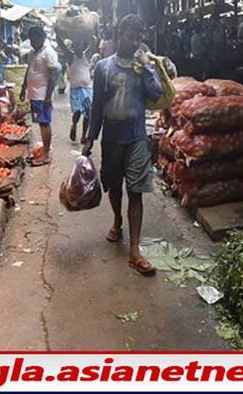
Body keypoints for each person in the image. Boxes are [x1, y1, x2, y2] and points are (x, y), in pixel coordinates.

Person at [82, 15, 163, 276]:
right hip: (112, 137)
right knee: (114, 186)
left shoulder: (143, 67)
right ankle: (117, 220)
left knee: (136, 191)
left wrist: (147, 67)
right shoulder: (104, 68)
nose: (135, 41)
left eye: (139, 36)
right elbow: (96, 107)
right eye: (130, 36)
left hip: (137, 136)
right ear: (119, 37)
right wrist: (90, 137)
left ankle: (135, 250)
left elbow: (156, 94)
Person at [20, 26, 59, 167]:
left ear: (42, 38)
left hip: (43, 95)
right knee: (41, 123)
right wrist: (24, 86)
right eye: (31, 39)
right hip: (34, 94)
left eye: (35, 38)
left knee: (44, 123)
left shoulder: (49, 53)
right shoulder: (31, 53)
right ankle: (44, 152)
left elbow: (53, 75)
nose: (33, 41)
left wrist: (48, 96)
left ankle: (45, 155)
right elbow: (29, 70)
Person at [57, 37, 94, 143]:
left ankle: (83, 135)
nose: (79, 47)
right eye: (76, 45)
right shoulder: (70, 56)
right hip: (75, 89)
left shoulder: (86, 55)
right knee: (77, 112)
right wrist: (58, 35)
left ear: (82, 46)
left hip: (87, 88)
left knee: (88, 113)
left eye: (80, 44)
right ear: (73, 47)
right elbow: (62, 46)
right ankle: (74, 125)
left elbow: (94, 41)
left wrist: (93, 32)